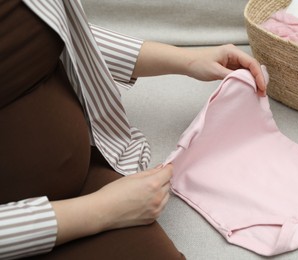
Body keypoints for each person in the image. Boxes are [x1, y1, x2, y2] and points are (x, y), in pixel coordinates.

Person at [0, 0, 267, 259]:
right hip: (42, 225)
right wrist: (103, 211)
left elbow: (52, 32)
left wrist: (187, 60)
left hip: (92, 180)